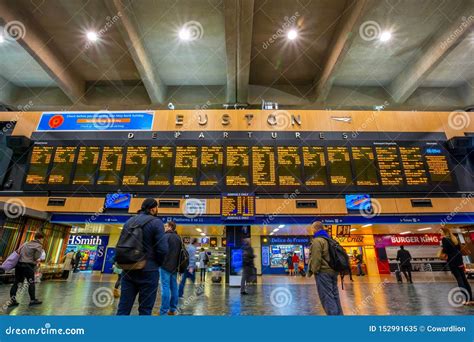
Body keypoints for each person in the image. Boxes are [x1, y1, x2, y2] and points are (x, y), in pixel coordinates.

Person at [116, 198, 168, 315]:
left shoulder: (129, 221)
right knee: (145, 310)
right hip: (149, 271)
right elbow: (163, 249)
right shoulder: (156, 222)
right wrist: (157, 263)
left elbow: (120, 243)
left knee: (123, 309)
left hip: (128, 269)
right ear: (153, 208)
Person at [308, 221, 343, 315]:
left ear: (314, 229)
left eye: (312, 229)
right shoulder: (330, 239)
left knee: (327, 297)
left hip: (323, 272)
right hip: (333, 271)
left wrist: (314, 271)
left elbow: (316, 258)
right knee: (335, 295)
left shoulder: (317, 241)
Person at [8, 231, 45, 307]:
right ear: (41, 239)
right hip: (28, 266)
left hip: (19, 265)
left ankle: (13, 301)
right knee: (31, 282)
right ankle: (32, 300)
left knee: (16, 283)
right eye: (42, 239)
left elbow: (19, 252)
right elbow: (36, 257)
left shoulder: (26, 243)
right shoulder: (38, 246)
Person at [439, 227, 473, 305]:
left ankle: (466, 299)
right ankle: (470, 298)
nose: (440, 232)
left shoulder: (444, 239)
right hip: (459, 259)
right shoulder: (454, 238)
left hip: (452, 261)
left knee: (459, 279)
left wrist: (442, 249)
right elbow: (458, 248)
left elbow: (445, 250)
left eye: (441, 231)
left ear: (444, 232)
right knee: (464, 279)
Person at [159, 221, 182, 315]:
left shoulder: (165, 236)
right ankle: (172, 309)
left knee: (165, 288)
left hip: (165, 266)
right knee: (174, 288)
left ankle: (163, 311)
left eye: (165, 226)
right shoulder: (178, 238)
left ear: (170, 227)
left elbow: (160, 251)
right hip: (175, 267)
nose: (164, 227)